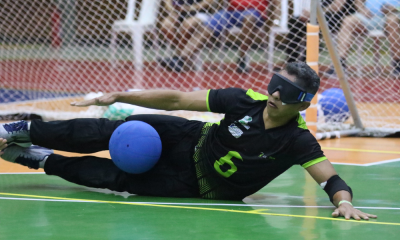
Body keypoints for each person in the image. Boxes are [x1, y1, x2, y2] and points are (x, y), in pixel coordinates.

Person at [0, 62, 377, 220]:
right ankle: (20, 130)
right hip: (186, 137)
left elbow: (331, 180)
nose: (274, 93)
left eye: (285, 90)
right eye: (274, 83)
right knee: (109, 131)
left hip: (196, 184)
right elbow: (179, 99)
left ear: (300, 102)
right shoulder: (245, 99)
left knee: (110, 178)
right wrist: (118, 96)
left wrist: (343, 203)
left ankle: (38, 159)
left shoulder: (298, 142)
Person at [159, 0, 276, 73]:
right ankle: (181, 59)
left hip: (254, 12)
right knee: (207, 25)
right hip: (231, 11)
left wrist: (270, 22)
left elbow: (274, 4)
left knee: (249, 19)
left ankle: (242, 58)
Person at [335, 0, 400, 74]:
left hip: (391, 15)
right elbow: (358, 1)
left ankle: (397, 63)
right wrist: (362, 9)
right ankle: (340, 62)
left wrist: (394, 8)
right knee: (348, 21)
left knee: (393, 21)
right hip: (367, 17)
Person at [285, 0, 357, 64]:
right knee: (295, 21)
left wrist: (314, 12)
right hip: (320, 14)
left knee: (313, 22)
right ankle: (292, 61)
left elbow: (337, 6)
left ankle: (308, 61)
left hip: (338, 16)